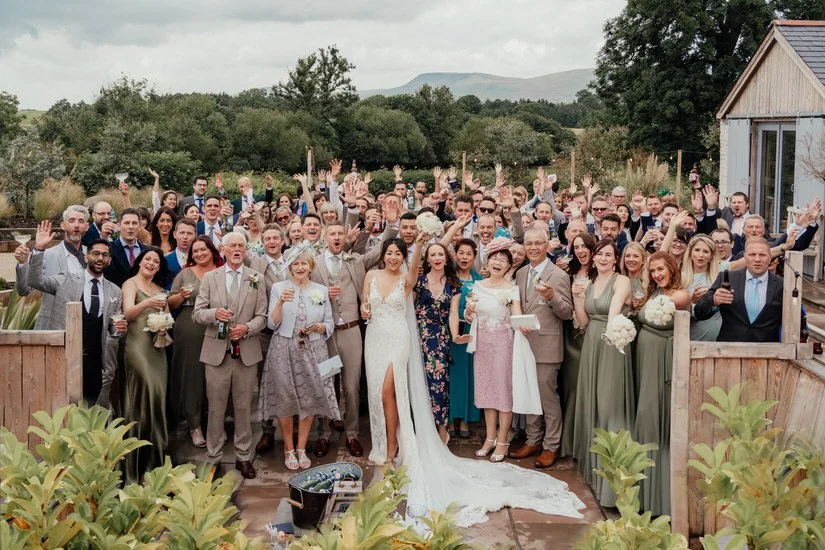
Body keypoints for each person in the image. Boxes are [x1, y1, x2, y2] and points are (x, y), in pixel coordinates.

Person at [361, 236, 585, 526]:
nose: (392, 256)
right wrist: (365, 308)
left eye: (397, 253)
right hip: (381, 338)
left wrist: (459, 331)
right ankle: (395, 445)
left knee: (400, 392)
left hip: (427, 340)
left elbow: (460, 310)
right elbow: (368, 302)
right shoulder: (376, 276)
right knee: (384, 394)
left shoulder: (423, 280)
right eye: (389, 252)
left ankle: (407, 446)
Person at [192, 232, 268, 479]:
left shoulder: (256, 278)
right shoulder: (210, 278)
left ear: (246, 250)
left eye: (241, 246)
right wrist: (214, 314)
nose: (237, 249)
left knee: (244, 408)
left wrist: (247, 328)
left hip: (246, 353)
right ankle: (213, 458)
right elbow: (197, 313)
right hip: (216, 354)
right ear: (223, 249)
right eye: (232, 245)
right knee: (215, 409)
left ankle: (243, 457)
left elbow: (263, 317)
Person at [310, 221, 386, 458]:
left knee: (352, 387)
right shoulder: (313, 263)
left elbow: (381, 249)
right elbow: (303, 291)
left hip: (351, 332)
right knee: (326, 384)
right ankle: (324, 433)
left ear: (345, 238)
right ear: (325, 237)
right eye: (332, 233)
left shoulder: (355, 260)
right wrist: (322, 294)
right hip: (325, 334)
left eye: (340, 234)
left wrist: (392, 224)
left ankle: (352, 434)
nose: (336, 237)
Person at [26, 229, 126, 407]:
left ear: (109, 260)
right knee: (62, 407)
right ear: (86, 257)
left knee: (92, 409)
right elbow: (35, 281)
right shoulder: (65, 279)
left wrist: (118, 329)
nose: (100, 258)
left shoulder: (115, 291)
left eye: (105, 255)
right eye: (96, 254)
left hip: (97, 361)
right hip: (66, 357)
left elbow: (112, 328)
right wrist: (39, 249)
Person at [260, 250, 339, 470]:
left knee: (309, 398)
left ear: (311, 266)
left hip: (313, 349)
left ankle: (301, 448)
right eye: (296, 264)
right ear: (290, 267)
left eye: (304, 263)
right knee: (284, 398)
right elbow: (271, 324)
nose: (300, 267)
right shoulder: (279, 288)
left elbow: (330, 323)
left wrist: (319, 327)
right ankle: (289, 449)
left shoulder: (321, 290)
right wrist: (280, 303)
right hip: (283, 348)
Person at [571, 239, 635, 506]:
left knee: (609, 402)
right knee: (593, 401)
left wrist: (610, 333)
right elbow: (583, 321)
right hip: (591, 342)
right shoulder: (588, 282)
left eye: (609, 254)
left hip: (612, 342)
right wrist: (577, 298)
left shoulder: (622, 281)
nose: (604, 258)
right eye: (600, 254)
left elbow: (615, 308)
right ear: (594, 257)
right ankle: (594, 469)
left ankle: (614, 476)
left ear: (616, 258)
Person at [508, 229, 573, 468]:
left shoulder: (559, 275)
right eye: (529, 243)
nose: (533, 247)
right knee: (528, 392)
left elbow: (566, 312)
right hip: (524, 343)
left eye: (538, 243)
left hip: (547, 344)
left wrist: (552, 296)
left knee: (547, 397)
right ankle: (533, 440)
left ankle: (551, 445)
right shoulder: (521, 272)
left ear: (547, 246)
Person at [464, 239, 532, 463]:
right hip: (482, 345)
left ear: (509, 266)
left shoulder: (512, 289)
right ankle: (489, 438)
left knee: (503, 393)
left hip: (504, 345)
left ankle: (502, 441)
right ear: (488, 261)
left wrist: (523, 324)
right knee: (486, 392)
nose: (498, 262)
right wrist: (468, 312)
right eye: (495, 258)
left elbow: (517, 315)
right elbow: (469, 316)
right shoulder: (477, 286)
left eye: (503, 260)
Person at [634, 251, 690, 516]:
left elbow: (675, 307)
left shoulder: (680, 296)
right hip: (645, 360)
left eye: (661, 269)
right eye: (653, 270)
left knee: (655, 416)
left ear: (672, 269)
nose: (657, 274)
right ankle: (642, 491)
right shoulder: (654, 293)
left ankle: (661, 497)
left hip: (663, 362)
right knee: (644, 415)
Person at [167, 236, 222, 448]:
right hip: (189, 327)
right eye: (195, 251)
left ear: (212, 250)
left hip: (216, 325)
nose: (199, 254)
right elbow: (170, 303)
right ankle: (194, 424)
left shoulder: (222, 270)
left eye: (203, 249)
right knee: (192, 376)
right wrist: (181, 295)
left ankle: (215, 422)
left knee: (216, 374)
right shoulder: (185, 274)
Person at [121, 246, 170, 481]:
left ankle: (155, 461)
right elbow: (128, 313)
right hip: (137, 347)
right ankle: (135, 463)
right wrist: (147, 304)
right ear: (140, 262)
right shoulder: (130, 284)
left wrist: (164, 320)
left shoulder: (160, 290)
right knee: (143, 393)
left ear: (159, 267)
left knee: (158, 396)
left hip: (157, 348)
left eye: (156, 261)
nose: (151, 263)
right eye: (148, 259)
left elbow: (168, 316)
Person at [414, 242, 463, 443]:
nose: (437, 258)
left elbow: (453, 313)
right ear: (427, 259)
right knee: (419, 383)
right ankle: (421, 429)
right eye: (433, 255)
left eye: (440, 254)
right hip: (417, 336)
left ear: (446, 258)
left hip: (440, 339)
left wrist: (455, 335)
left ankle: (442, 428)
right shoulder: (418, 282)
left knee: (439, 384)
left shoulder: (454, 284)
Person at [694, 237, 784, 342]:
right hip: (729, 348)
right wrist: (713, 300)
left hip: (768, 349)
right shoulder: (727, 278)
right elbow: (699, 312)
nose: (757, 259)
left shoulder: (782, 285)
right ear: (745, 257)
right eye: (752, 254)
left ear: (770, 258)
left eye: (762, 255)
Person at [15, 205, 89, 328]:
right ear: (63, 225)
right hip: (53, 326)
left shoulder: (94, 255)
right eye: (71, 220)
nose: (76, 225)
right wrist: (23, 263)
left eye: (81, 221)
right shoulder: (44, 255)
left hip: (86, 326)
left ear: (86, 226)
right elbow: (24, 290)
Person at [558, 233, 596, 459]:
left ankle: (585, 441)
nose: (581, 250)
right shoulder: (569, 273)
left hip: (590, 333)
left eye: (584, 246)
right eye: (577, 247)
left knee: (586, 387)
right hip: (569, 334)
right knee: (570, 386)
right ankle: (569, 442)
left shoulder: (599, 273)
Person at [449, 239, 483, 438]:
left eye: (469, 254)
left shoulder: (480, 280)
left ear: (474, 257)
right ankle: (450, 417)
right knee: (453, 375)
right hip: (452, 330)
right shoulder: (448, 277)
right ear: (455, 255)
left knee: (470, 374)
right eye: (461, 253)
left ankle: (465, 419)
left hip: (472, 331)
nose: (464, 257)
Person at [682, 234, 722, 341]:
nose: (701, 255)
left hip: (716, 336)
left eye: (705, 251)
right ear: (690, 252)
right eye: (697, 250)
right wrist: (692, 300)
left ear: (711, 256)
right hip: (689, 335)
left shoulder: (718, 277)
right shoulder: (681, 278)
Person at [106, 208, 143, 287]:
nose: (130, 227)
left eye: (134, 223)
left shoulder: (146, 251)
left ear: (140, 226)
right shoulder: (109, 249)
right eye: (126, 223)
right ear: (119, 226)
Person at [164, 218, 197, 287]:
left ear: (195, 236)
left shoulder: (200, 259)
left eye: (189, 233)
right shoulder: (165, 260)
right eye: (182, 233)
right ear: (174, 234)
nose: (185, 237)